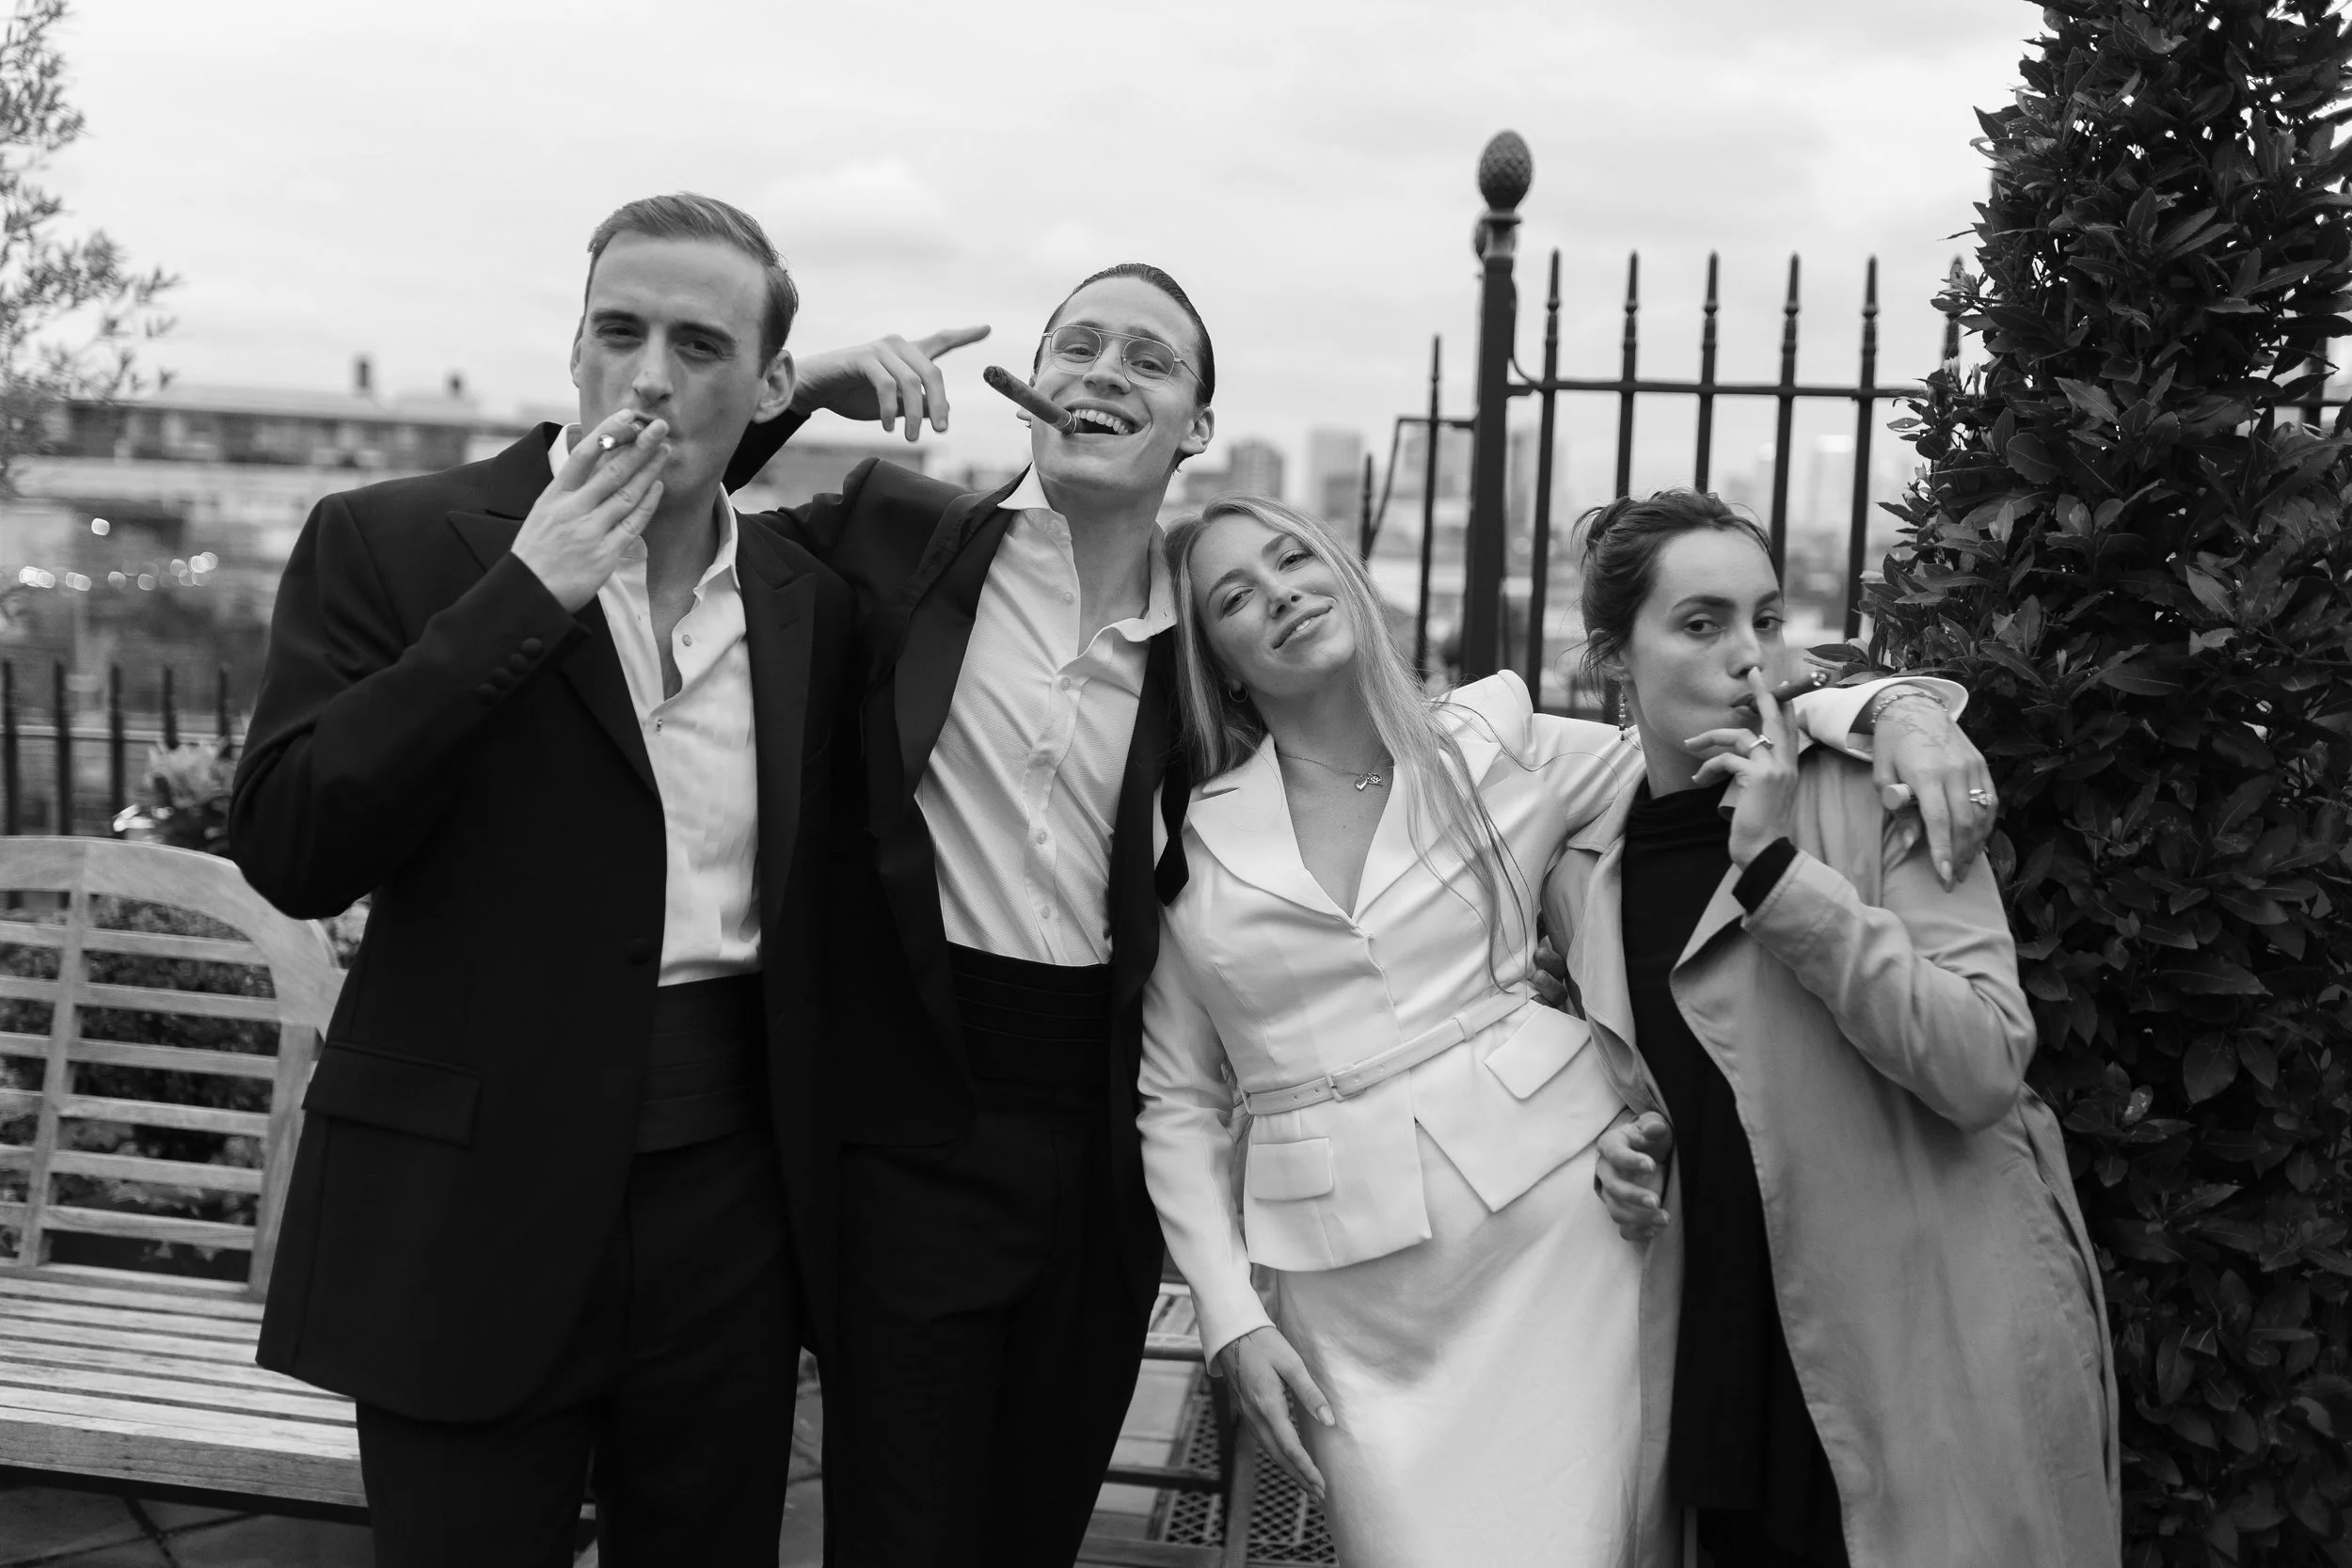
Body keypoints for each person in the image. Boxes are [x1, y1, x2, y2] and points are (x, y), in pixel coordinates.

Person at [1133, 492, 1986, 1567]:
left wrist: (1895, 710)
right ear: (1219, 657)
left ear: (1343, 572)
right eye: (1236, 597)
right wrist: (1226, 1310)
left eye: (1293, 558)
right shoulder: (1192, 829)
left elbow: (1704, 715)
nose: (1281, 596)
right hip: (1349, 1292)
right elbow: (1175, 1095)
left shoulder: (1499, 739)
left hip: (1561, 1235)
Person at [229, 195, 867, 1563]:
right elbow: (291, 844)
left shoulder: (811, 597)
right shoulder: (391, 540)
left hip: (730, 1204)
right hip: (469, 1200)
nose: (647, 374)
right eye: (617, 330)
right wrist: (527, 594)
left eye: (700, 344)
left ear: (767, 386)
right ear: (574, 344)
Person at [1568, 490, 2121, 1568]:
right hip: (1727, 1362)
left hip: (1923, 1351)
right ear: (1610, 659)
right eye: (1699, 623)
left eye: (1765, 619)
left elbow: (1978, 1062)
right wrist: (1621, 1144)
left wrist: (1779, 875)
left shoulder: (1880, 794)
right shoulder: (1588, 865)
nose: (1749, 655)